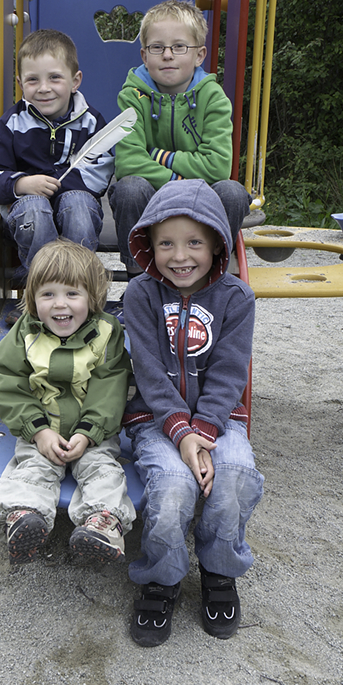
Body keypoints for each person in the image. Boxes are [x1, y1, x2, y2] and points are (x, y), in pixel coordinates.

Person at [122, 178, 264, 646]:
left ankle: (219, 572)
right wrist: (182, 434)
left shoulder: (236, 298)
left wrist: (202, 429)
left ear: (217, 244)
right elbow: (148, 373)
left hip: (219, 419)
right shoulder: (141, 295)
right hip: (156, 419)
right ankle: (160, 579)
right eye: (166, 243)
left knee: (235, 473)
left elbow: (229, 374)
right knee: (172, 484)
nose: (179, 256)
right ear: (149, 244)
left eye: (194, 243)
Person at [0, 238, 136, 564]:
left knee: (102, 470)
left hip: (93, 432)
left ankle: (102, 525)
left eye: (72, 294)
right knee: (32, 469)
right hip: (42, 426)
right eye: (48, 294)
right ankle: (25, 517)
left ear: (92, 297)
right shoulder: (27, 332)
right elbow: (5, 377)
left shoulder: (107, 332)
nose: (59, 304)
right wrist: (38, 430)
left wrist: (88, 432)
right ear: (32, 298)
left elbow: (110, 385)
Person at [109, 0, 251, 279]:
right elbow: (128, 162)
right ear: (144, 56)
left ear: (199, 55)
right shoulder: (132, 96)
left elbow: (217, 167)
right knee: (129, 189)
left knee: (233, 193)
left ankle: (211, 276)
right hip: (151, 195)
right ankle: (139, 278)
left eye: (179, 47)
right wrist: (177, 181)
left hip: (203, 197)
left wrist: (159, 155)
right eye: (157, 47)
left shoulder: (214, 98)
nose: (167, 55)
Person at [0, 29, 114, 284]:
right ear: (20, 84)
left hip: (76, 204)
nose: (44, 88)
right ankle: (40, 286)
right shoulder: (12, 124)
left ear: (75, 80)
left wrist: (57, 186)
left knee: (78, 206)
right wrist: (21, 184)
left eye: (55, 78)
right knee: (35, 208)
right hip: (26, 210)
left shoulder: (91, 122)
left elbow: (101, 169)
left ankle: (79, 284)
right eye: (32, 80)